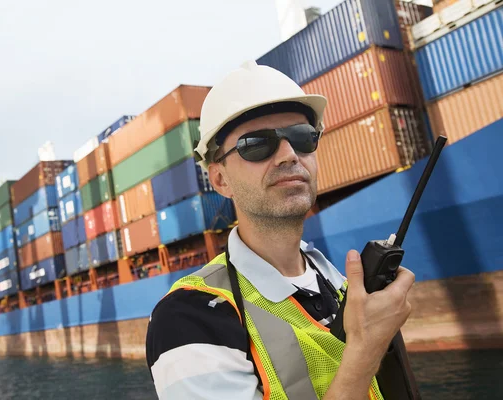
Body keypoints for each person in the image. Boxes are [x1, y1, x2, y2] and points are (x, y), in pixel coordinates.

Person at [145, 60, 415, 400]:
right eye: (256, 143)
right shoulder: (189, 314)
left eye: (302, 138)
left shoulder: (338, 281)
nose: (289, 155)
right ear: (220, 179)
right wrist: (365, 350)